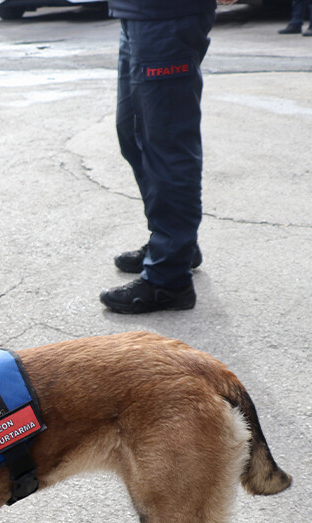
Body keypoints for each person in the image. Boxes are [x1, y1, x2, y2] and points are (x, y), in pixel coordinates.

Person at [99, 0, 236, 314]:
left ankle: (168, 279)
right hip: (134, 13)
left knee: (167, 146)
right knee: (133, 134)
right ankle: (176, 245)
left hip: (167, 15)